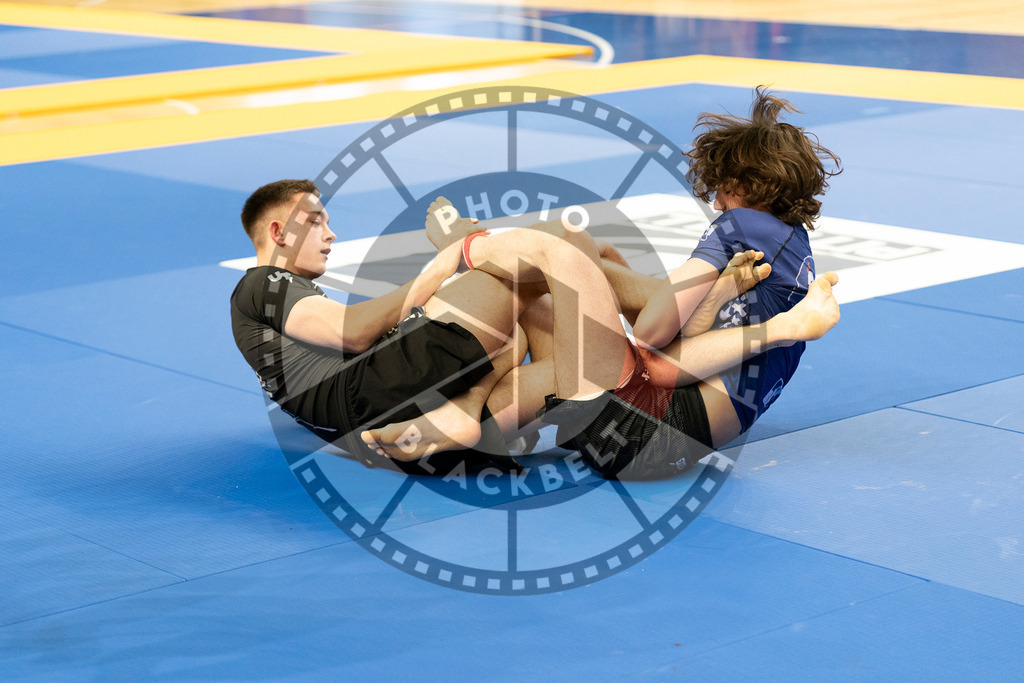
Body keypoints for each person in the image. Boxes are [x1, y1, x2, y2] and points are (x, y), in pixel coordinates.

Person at [364, 87, 842, 479]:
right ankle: (474, 420)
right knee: (569, 277)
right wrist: (718, 293)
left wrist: (772, 325)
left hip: (641, 424)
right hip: (643, 442)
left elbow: (656, 343)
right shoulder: (790, 246)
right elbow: (686, 347)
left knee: (568, 248)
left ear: (748, 184)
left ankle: (465, 247)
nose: (715, 202)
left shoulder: (742, 227)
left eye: (722, 187)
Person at [231, 181, 833, 478]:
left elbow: (660, 355)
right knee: (558, 255)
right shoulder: (261, 285)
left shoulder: (282, 304)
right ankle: (469, 243)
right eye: (316, 223)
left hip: (634, 426)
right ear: (277, 233)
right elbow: (355, 331)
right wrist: (437, 276)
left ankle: (469, 411)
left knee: (551, 284)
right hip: (649, 428)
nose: (331, 234)